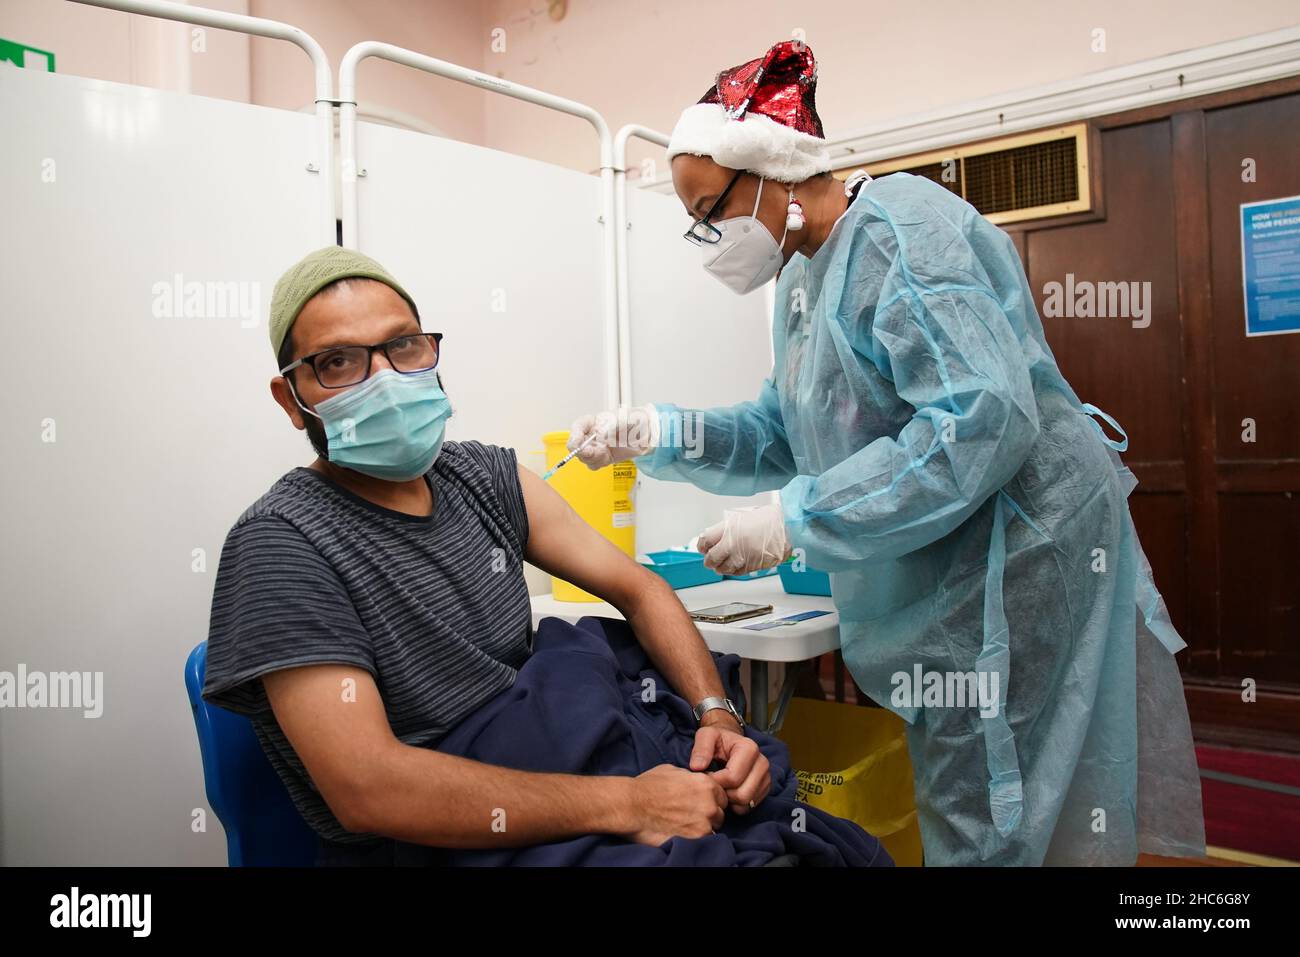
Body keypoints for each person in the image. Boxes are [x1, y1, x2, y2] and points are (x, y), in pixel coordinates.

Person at [568, 41, 1206, 865]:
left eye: (709, 209)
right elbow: (782, 428)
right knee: (990, 789)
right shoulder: (802, 281)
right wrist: (658, 431)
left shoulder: (900, 232)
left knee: (995, 794)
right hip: (952, 568)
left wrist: (799, 517)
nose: (707, 235)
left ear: (773, 168)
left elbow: (980, 419)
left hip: (1015, 555)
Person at [201, 246, 781, 863]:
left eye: (403, 346)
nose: (387, 381)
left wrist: (717, 718)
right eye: (339, 362)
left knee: (771, 824)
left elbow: (638, 588)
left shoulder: (484, 476)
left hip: (570, 770)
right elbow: (368, 789)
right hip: (447, 838)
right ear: (292, 399)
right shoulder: (283, 543)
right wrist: (629, 805)